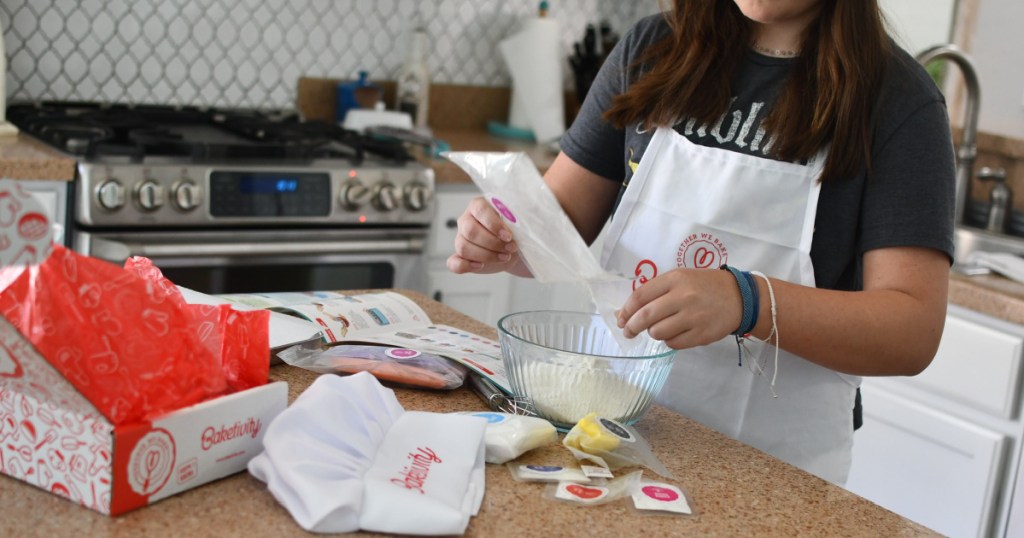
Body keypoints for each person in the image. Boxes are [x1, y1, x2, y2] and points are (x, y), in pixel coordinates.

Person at [448, 0, 955, 485]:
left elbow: (911, 330)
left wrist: (745, 300)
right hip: (607, 434)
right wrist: (507, 235)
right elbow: (554, 224)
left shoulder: (898, 101)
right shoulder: (653, 48)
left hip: (773, 471)